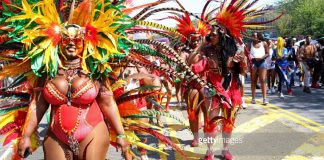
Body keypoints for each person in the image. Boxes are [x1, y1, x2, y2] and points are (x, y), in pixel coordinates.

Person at [248, 32, 269, 104]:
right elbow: (247, 53)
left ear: (258, 36)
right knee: (253, 80)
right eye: (253, 35)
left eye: (255, 35)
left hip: (262, 62)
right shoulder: (250, 44)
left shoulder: (264, 43)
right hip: (253, 62)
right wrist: (250, 59)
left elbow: (267, 53)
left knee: (263, 80)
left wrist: (261, 58)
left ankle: (264, 98)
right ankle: (253, 98)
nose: (254, 36)